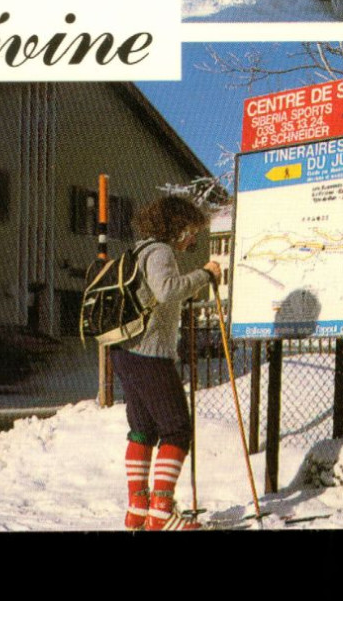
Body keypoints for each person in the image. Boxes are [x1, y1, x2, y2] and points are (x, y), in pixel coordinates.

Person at [109, 195, 221, 532]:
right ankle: (160, 514)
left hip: (127, 352)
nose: (193, 240)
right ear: (180, 227)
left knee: (142, 429)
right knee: (176, 429)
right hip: (150, 353)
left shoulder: (139, 250)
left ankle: (138, 509)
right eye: (192, 232)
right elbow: (168, 290)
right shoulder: (160, 252)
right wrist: (205, 274)